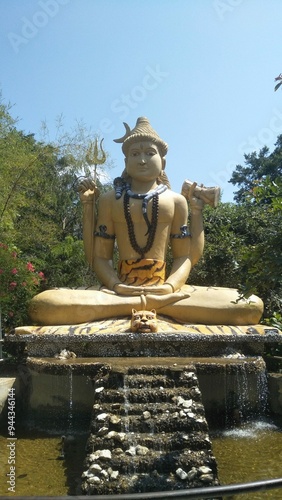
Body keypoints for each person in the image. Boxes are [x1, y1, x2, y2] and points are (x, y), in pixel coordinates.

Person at [29, 118, 263, 326]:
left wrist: (169, 287)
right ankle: (147, 304)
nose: (142, 160)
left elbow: (186, 257)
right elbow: (98, 257)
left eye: (149, 153)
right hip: (119, 290)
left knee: (250, 306)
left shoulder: (176, 201)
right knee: (44, 304)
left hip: (165, 287)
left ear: (163, 161)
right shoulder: (111, 200)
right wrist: (116, 285)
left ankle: (140, 304)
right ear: (126, 161)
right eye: (135, 154)